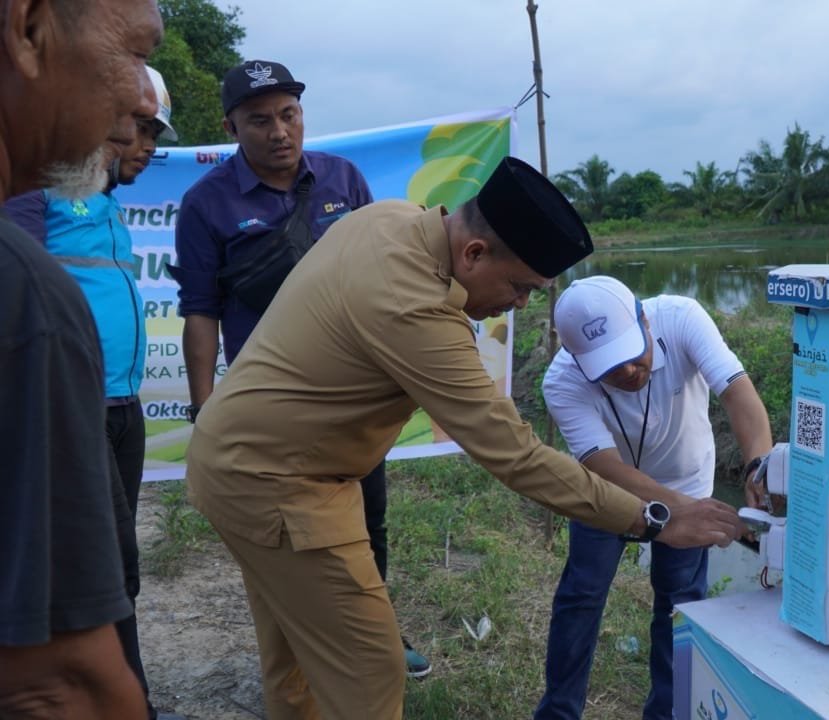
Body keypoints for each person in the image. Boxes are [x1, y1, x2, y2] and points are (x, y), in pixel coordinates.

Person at [184, 156, 745, 720]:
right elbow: (516, 456)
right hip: (281, 485)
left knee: (297, 663)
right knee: (371, 670)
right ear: (474, 254)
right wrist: (655, 519)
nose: (521, 305)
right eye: (521, 287)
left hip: (234, 458)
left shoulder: (389, 220)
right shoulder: (416, 308)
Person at [167, 59, 429, 677]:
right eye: (260, 120)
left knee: (367, 515)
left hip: (356, 396)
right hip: (273, 406)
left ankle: (379, 633)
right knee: (286, 535)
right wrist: (205, 409)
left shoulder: (344, 179)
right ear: (232, 127)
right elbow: (200, 312)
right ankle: (298, 649)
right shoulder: (206, 205)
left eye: (289, 115)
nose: (279, 131)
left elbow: (385, 278)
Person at [0, 0, 164, 718]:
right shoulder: (26, 289)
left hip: (117, 404)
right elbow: (54, 682)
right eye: (134, 53)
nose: (137, 102)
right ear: (29, 29)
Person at [533, 276, 773, 720]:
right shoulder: (562, 382)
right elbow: (604, 466)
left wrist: (760, 466)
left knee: (680, 605)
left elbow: (739, 395)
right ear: (576, 358)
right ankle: (559, 712)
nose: (625, 371)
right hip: (606, 495)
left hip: (689, 480)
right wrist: (685, 513)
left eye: (629, 354)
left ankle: (667, 712)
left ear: (644, 318)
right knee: (582, 596)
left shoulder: (682, 318)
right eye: (606, 366)